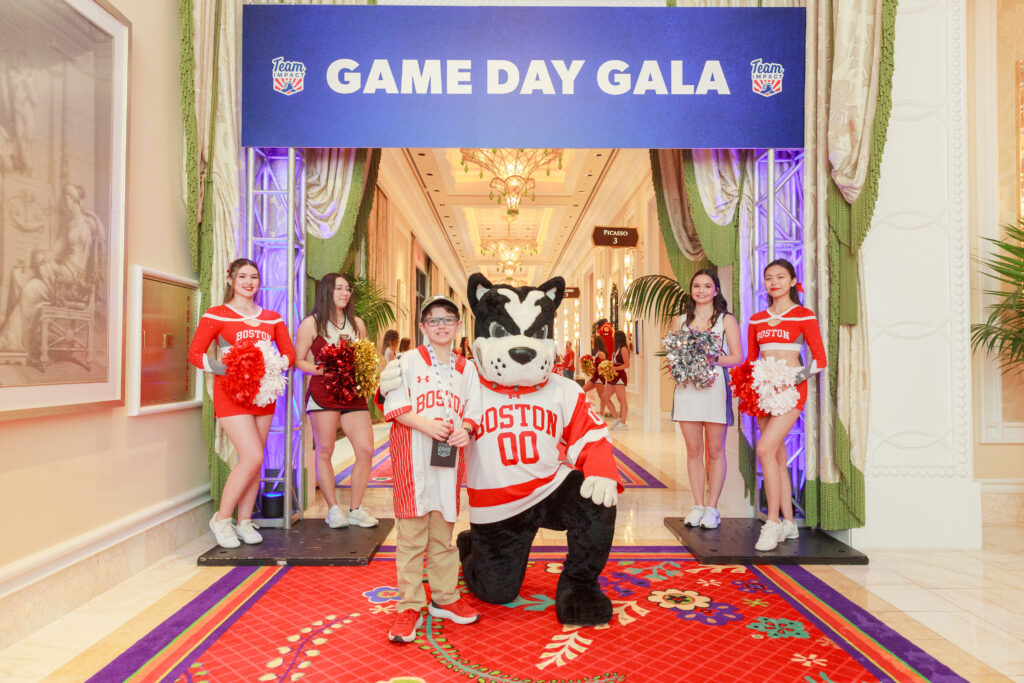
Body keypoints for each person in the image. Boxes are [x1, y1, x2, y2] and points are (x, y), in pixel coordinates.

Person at [382, 295, 482, 643]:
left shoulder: (467, 368)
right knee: (411, 537)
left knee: (443, 534)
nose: (441, 325)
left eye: (448, 319)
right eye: (434, 320)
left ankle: (445, 598)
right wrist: (428, 425)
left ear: (458, 326)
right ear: (422, 327)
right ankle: (410, 605)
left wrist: (465, 429)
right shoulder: (406, 361)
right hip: (413, 457)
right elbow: (395, 407)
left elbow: (474, 410)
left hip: (447, 460)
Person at [188, 258, 296, 548]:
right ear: (231, 280)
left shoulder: (272, 318)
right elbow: (195, 354)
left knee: (254, 460)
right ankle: (222, 519)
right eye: (243, 277)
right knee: (252, 456)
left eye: (254, 277)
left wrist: (274, 365)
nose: (249, 282)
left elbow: (289, 354)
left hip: (263, 394)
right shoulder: (217, 314)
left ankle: (244, 521)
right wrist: (229, 369)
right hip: (231, 393)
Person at [746, 259, 827, 552]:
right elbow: (751, 360)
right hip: (762, 391)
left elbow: (820, 359)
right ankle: (789, 522)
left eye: (780, 277)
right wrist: (750, 387)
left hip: (791, 392)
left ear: (793, 281)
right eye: (769, 277)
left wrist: (793, 378)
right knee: (777, 456)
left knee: (764, 449)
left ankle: (772, 523)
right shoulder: (756, 319)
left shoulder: (804, 315)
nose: (774, 282)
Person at [294, 273, 379, 530]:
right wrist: (319, 370)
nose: (345, 293)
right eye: (339, 288)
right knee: (325, 451)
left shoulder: (357, 324)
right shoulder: (311, 324)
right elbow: (298, 361)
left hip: (353, 394)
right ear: (326, 291)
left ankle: (356, 509)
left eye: (348, 289)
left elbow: (363, 356)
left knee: (365, 450)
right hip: (323, 393)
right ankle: (333, 509)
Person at [670, 270, 742, 531]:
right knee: (693, 450)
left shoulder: (726, 320)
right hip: (687, 391)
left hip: (715, 389)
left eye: (707, 286)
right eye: (697, 285)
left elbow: (737, 357)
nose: (701, 290)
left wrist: (709, 359)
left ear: (716, 290)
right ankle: (698, 505)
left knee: (715, 451)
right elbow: (673, 356)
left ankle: (712, 508)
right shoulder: (679, 321)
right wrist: (680, 363)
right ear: (691, 290)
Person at [580, 333, 614, 418]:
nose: (592, 344)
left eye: (593, 342)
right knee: (582, 390)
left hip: (599, 378)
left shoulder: (601, 353)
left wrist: (592, 368)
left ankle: (608, 415)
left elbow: (602, 367)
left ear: (597, 343)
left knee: (603, 397)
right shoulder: (598, 353)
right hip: (595, 378)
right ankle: (584, 410)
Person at [605, 331, 631, 431]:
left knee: (622, 400)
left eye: (614, 337)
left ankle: (623, 423)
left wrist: (614, 368)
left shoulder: (624, 349)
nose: (613, 338)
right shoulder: (617, 350)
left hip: (619, 377)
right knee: (605, 397)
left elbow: (627, 365)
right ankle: (616, 419)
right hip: (613, 377)